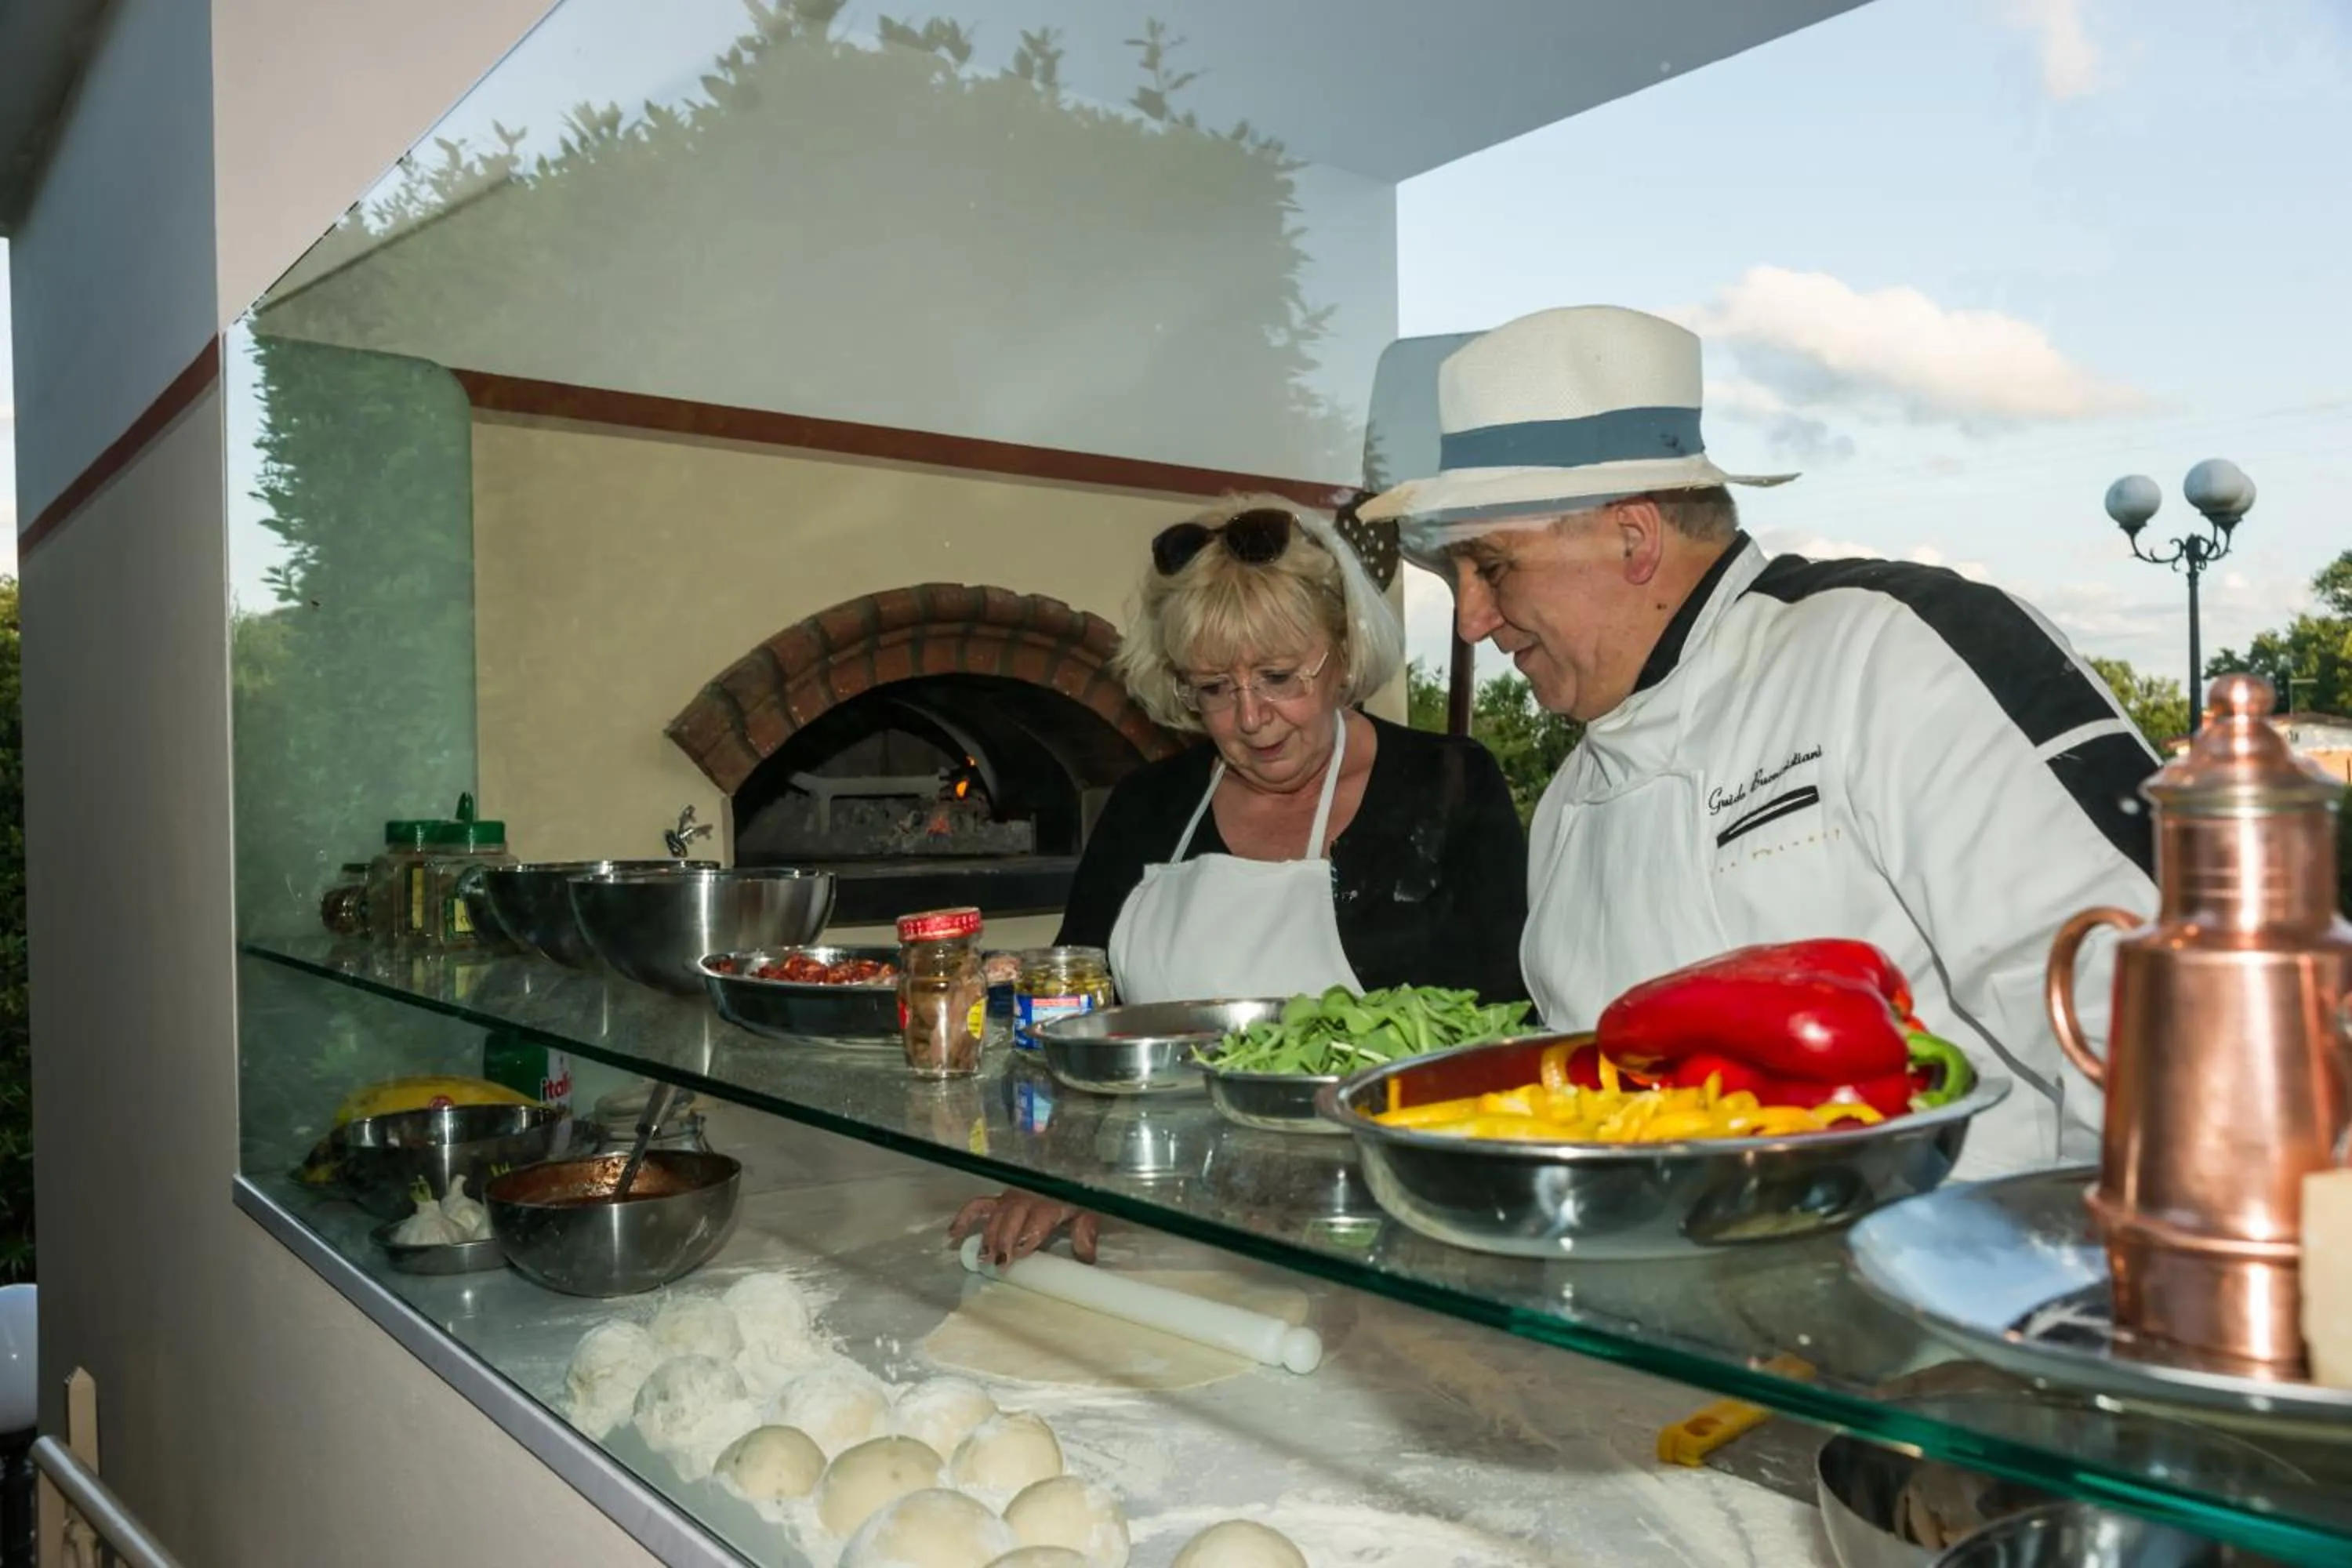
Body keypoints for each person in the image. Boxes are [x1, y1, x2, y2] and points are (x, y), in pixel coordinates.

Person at [1359, 305, 2160, 1175]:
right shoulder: (1564, 809)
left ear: (1633, 535)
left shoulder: (1897, 649)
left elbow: (2151, 1005)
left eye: (1493, 565)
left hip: (1963, 1283)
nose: (1471, 619)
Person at [951, 494, 1530, 1263]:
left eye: (1279, 676)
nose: (1251, 717)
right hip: (1161, 1212)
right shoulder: (1150, 806)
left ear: (1344, 649)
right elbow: (1071, 1026)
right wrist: (1062, 1168)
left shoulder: (1447, 785)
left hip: (1384, 1228)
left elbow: (1498, 1037)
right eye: (1215, 688)